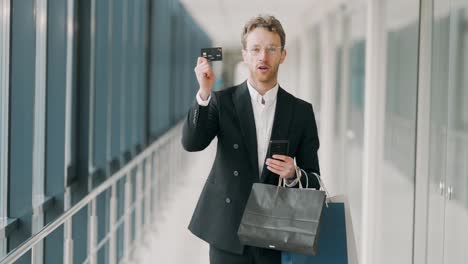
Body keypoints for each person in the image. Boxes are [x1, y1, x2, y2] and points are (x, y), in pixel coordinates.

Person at [182, 14, 321, 264]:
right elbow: (192, 143)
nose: (263, 57)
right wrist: (204, 92)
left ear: (283, 55)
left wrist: (293, 174)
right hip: (228, 233)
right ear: (245, 55)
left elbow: (315, 179)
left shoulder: (301, 112)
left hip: (275, 236)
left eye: (271, 49)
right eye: (255, 49)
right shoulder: (222, 102)